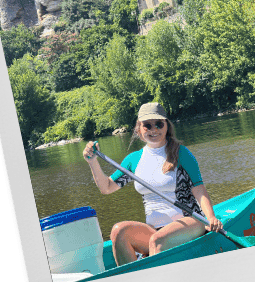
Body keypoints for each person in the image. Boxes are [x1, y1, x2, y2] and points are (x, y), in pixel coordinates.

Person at [82, 102, 222, 266]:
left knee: (157, 241)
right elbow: (106, 188)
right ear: (139, 129)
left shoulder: (181, 153)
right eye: (147, 125)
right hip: (154, 230)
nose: (154, 129)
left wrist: (211, 217)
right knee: (118, 231)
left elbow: (199, 190)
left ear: (166, 126)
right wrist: (92, 162)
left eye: (158, 124)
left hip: (190, 222)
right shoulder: (133, 160)